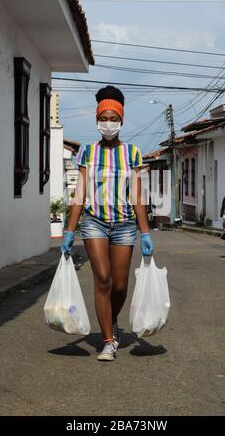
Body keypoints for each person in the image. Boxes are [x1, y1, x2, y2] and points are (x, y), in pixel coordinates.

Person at [61, 85, 153, 362]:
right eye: (104, 119)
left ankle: (109, 321)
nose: (109, 124)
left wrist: (145, 231)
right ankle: (108, 340)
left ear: (121, 121)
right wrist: (69, 230)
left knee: (120, 286)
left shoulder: (133, 153)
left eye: (114, 119)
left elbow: (137, 194)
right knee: (102, 278)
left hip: (125, 224)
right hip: (94, 223)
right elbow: (80, 192)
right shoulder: (87, 153)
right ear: (97, 120)